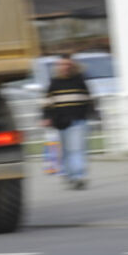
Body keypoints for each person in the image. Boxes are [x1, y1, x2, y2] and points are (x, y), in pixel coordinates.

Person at [41, 54, 96, 189]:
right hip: (60, 122)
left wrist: (92, 114)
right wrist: (46, 117)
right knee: (65, 151)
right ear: (58, 67)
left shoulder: (80, 81)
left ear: (73, 66)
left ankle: (78, 176)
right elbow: (47, 102)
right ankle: (69, 175)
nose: (65, 67)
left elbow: (89, 100)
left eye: (68, 65)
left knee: (76, 150)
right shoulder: (54, 83)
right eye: (62, 65)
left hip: (78, 121)